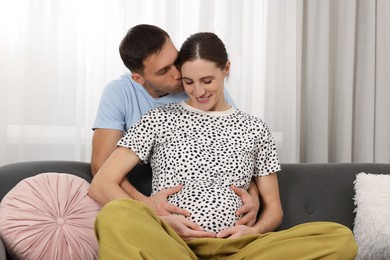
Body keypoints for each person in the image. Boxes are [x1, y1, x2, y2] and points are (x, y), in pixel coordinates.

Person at [89, 32, 357, 259]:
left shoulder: (254, 128)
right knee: (115, 216)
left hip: (239, 249)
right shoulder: (157, 119)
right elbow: (101, 183)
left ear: (226, 69)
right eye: (188, 82)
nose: (198, 91)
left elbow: (274, 209)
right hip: (173, 244)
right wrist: (156, 215)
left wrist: (253, 231)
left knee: (340, 238)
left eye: (207, 81)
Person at [91, 24, 260, 232]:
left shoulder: (202, 91)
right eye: (164, 71)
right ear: (139, 78)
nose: (178, 73)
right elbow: (101, 167)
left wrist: (254, 197)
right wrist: (147, 206)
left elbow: (237, 152)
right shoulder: (121, 94)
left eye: (176, 61)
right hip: (141, 191)